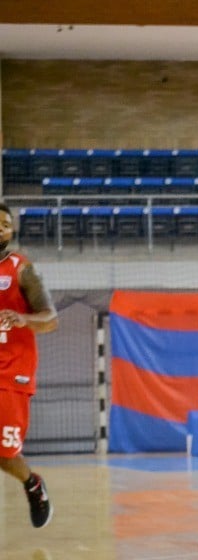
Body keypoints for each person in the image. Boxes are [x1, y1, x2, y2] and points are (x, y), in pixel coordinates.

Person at [0, 202, 59, 528]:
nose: (0, 228)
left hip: (12, 372)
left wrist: (22, 319)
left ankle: (32, 483)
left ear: (11, 231)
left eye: (5, 224)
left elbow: (51, 320)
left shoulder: (22, 269)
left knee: (5, 454)